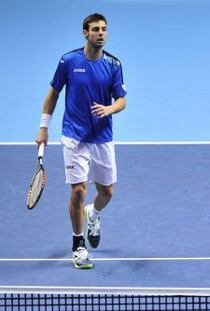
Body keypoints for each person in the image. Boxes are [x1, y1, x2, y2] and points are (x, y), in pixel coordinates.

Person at [35, 13, 127, 269]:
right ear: (85, 33)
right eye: (96, 29)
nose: (101, 33)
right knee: (78, 191)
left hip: (102, 138)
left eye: (104, 29)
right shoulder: (68, 61)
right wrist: (44, 128)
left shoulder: (114, 65)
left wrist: (110, 109)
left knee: (107, 192)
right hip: (74, 137)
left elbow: (121, 100)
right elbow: (53, 93)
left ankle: (93, 215)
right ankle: (78, 245)